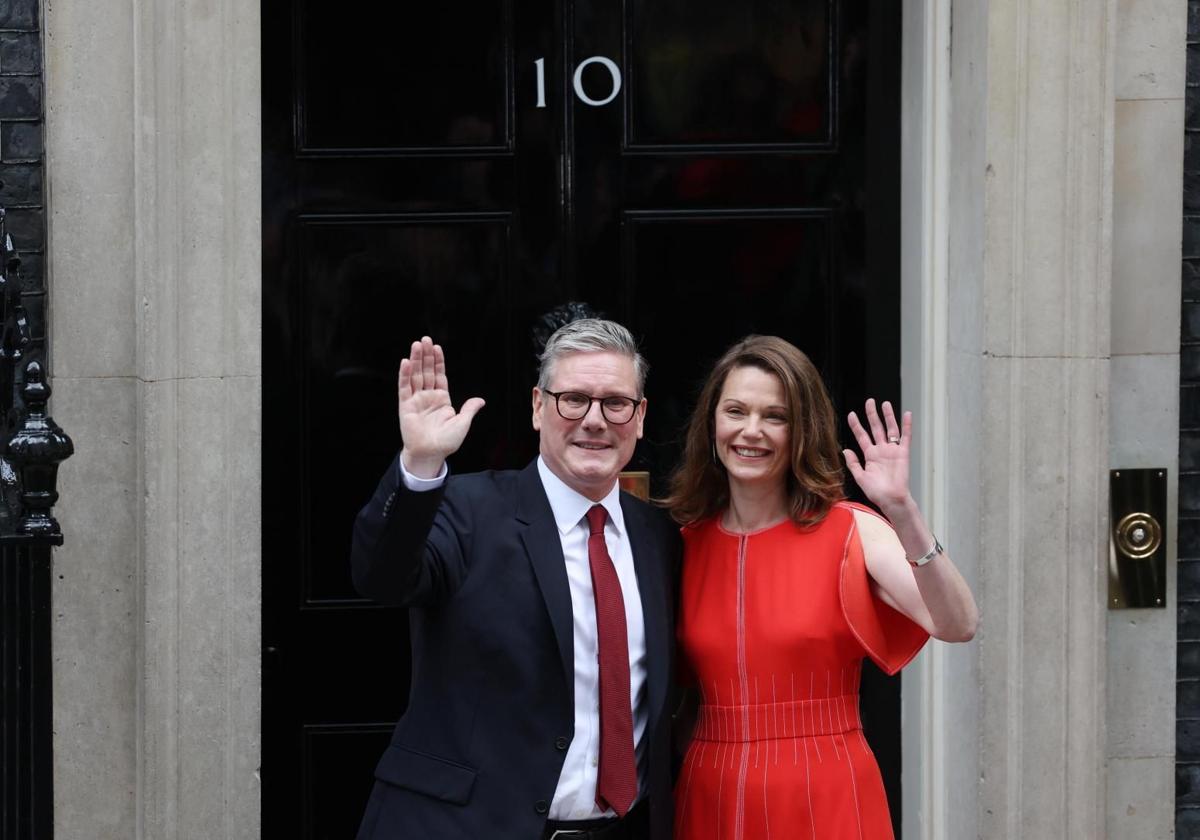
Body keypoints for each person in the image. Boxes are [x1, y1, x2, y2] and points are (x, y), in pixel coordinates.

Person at [351, 319, 681, 840]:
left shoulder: (660, 538)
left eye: (616, 403)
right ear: (537, 406)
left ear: (639, 417)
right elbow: (383, 578)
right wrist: (420, 463)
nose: (594, 420)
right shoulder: (466, 509)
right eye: (573, 399)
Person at [664, 335, 977, 840]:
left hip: (823, 789)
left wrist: (903, 512)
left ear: (801, 429)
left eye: (775, 416)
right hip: (710, 794)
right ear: (711, 423)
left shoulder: (849, 530)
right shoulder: (683, 545)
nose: (751, 431)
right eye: (736, 411)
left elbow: (958, 623)